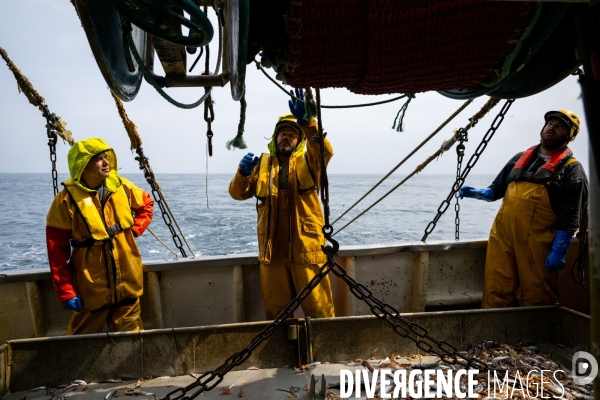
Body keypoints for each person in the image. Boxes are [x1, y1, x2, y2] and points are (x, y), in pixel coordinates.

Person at [459, 110, 588, 308]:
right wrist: (479, 193)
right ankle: (493, 336)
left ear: (569, 136)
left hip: (537, 244)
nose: (552, 127)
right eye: (550, 123)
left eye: (560, 126)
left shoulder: (572, 170)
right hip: (502, 237)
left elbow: (569, 217)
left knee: (538, 295)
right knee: (496, 289)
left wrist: (559, 251)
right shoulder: (519, 158)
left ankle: (537, 338)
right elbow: (496, 190)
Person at [229, 89, 335, 320]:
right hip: (272, 252)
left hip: (307, 250)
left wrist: (308, 122)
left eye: (292, 134)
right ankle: (284, 355)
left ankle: (325, 355)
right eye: (282, 134)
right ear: (274, 138)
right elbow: (237, 193)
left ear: (300, 140)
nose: (286, 137)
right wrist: (242, 173)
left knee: (320, 313)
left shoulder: (310, 161)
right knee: (276, 314)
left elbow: (324, 150)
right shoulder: (261, 165)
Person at [46, 138, 154, 334]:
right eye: (98, 159)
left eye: (106, 158)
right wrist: (66, 291)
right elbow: (57, 252)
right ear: (83, 164)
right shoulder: (64, 201)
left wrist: (136, 229)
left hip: (128, 285)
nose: (106, 163)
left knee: (132, 344)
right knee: (80, 346)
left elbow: (146, 204)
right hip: (91, 291)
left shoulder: (122, 186)